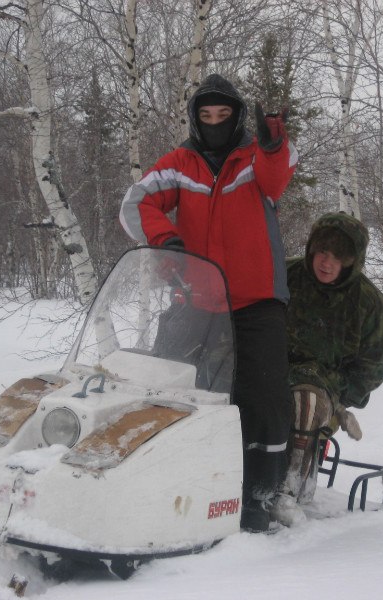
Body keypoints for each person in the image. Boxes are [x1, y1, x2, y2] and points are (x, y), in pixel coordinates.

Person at [119, 73, 298, 532]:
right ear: (196, 119)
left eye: (223, 115)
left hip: (258, 297)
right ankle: (160, 477)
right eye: (206, 115)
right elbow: (136, 203)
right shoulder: (180, 163)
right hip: (197, 294)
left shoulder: (255, 158)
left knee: (263, 397)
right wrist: (167, 241)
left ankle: (261, 496)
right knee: (168, 384)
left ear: (237, 117)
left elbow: (277, 181)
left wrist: (273, 142)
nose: (215, 122)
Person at [271, 212, 383, 526]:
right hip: (270, 372)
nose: (326, 262)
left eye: (337, 257)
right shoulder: (283, 274)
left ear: (351, 262)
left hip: (323, 391)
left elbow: (372, 366)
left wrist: (339, 398)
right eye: (322, 253)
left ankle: (288, 491)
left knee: (306, 399)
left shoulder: (369, 304)